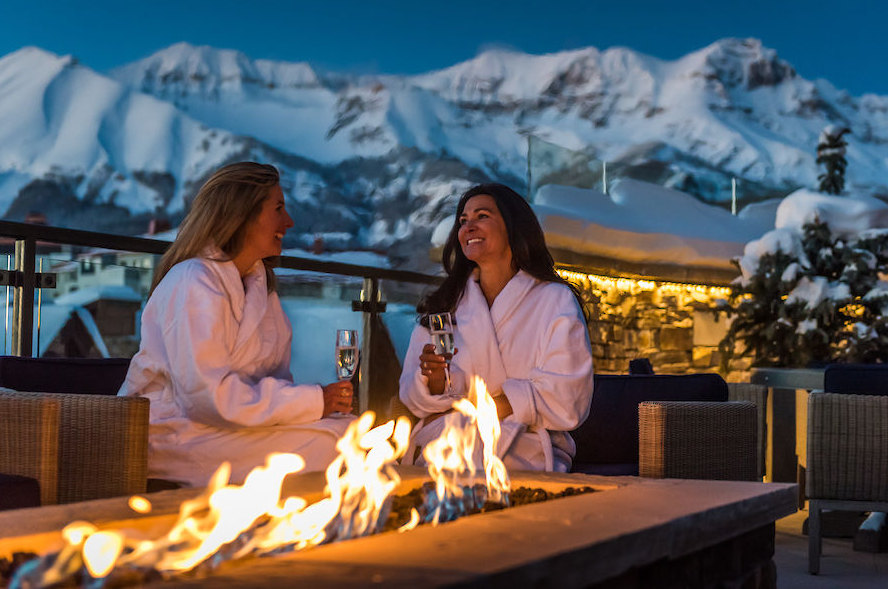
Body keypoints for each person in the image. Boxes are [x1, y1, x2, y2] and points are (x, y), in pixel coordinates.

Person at [119, 162, 353, 487]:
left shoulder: (260, 288)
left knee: (353, 431)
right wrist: (312, 402)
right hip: (175, 433)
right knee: (330, 446)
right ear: (242, 214)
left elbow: (276, 378)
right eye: (278, 208)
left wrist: (315, 405)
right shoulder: (193, 281)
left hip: (228, 427)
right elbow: (206, 397)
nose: (289, 221)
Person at [399, 183, 593, 472]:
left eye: (482, 216)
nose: (469, 226)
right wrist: (435, 381)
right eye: (463, 221)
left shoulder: (554, 299)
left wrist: (482, 409)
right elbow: (412, 397)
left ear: (513, 226)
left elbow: (568, 395)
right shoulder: (446, 304)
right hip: (450, 439)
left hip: (526, 446)